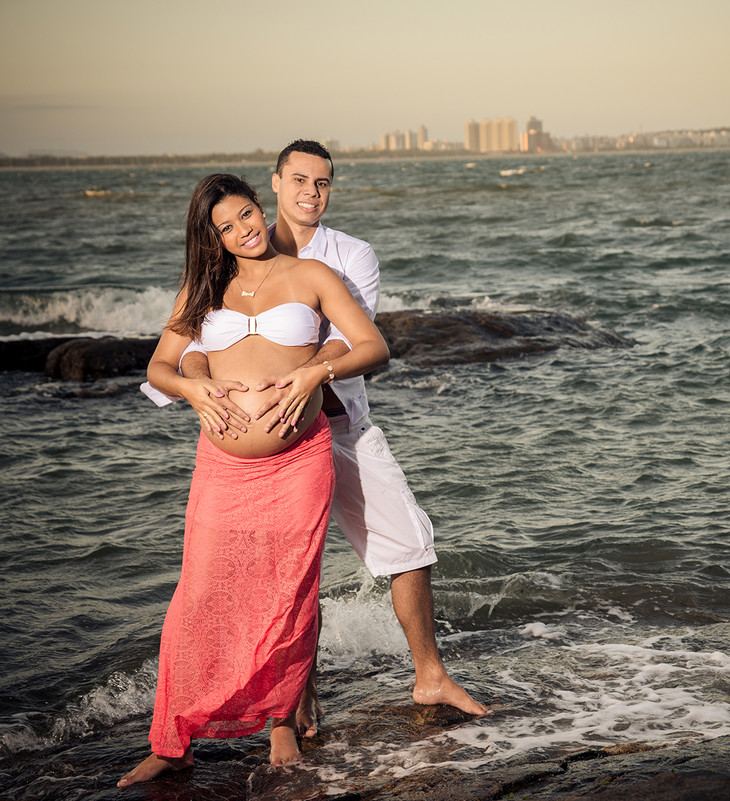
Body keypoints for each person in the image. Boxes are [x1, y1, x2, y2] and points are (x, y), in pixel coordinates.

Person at [160, 140, 487, 731]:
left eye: (323, 183)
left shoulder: (347, 256)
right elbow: (191, 350)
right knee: (285, 573)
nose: (311, 192)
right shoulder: (229, 261)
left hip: (337, 426)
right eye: (300, 180)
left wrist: (310, 371)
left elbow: (347, 338)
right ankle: (296, 704)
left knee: (408, 541)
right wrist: (200, 375)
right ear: (274, 185)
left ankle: (430, 675)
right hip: (258, 452)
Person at [120, 174, 389, 786]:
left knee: (287, 592)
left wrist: (315, 371)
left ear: (259, 207)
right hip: (222, 465)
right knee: (200, 595)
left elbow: (373, 346)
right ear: (212, 237)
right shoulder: (204, 287)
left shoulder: (310, 276)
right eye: (229, 226)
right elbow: (160, 366)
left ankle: (281, 724)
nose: (245, 230)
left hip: (299, 461)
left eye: (248, 214)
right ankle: (172, 739)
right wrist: (193, 388)